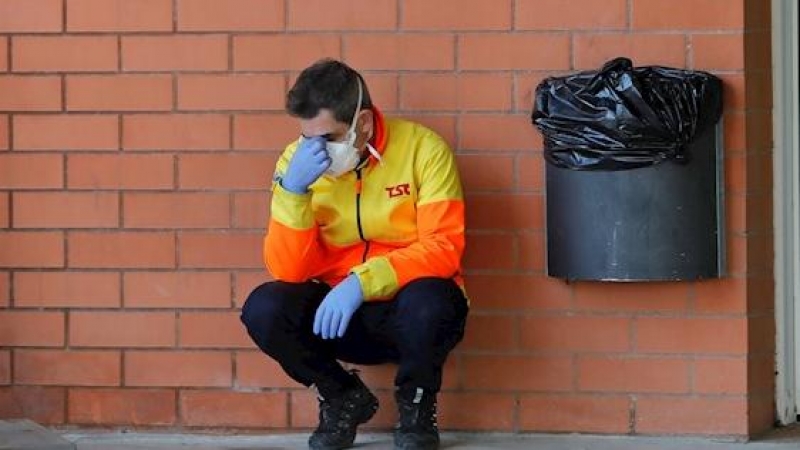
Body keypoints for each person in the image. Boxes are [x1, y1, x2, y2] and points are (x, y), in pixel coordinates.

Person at [240, 58, 468, 450]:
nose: (315, 150)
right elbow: (288, 270)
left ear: (362, 124)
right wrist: (293, 192)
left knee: (436, 299)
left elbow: (444, 247)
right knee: (264, 307)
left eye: (328, 138)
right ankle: (341, 395)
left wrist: (363, 282)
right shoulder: (296, 164)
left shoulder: (423, 150)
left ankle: (416, 408)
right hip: (337, 316)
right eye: (306, 137)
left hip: (408, 313)